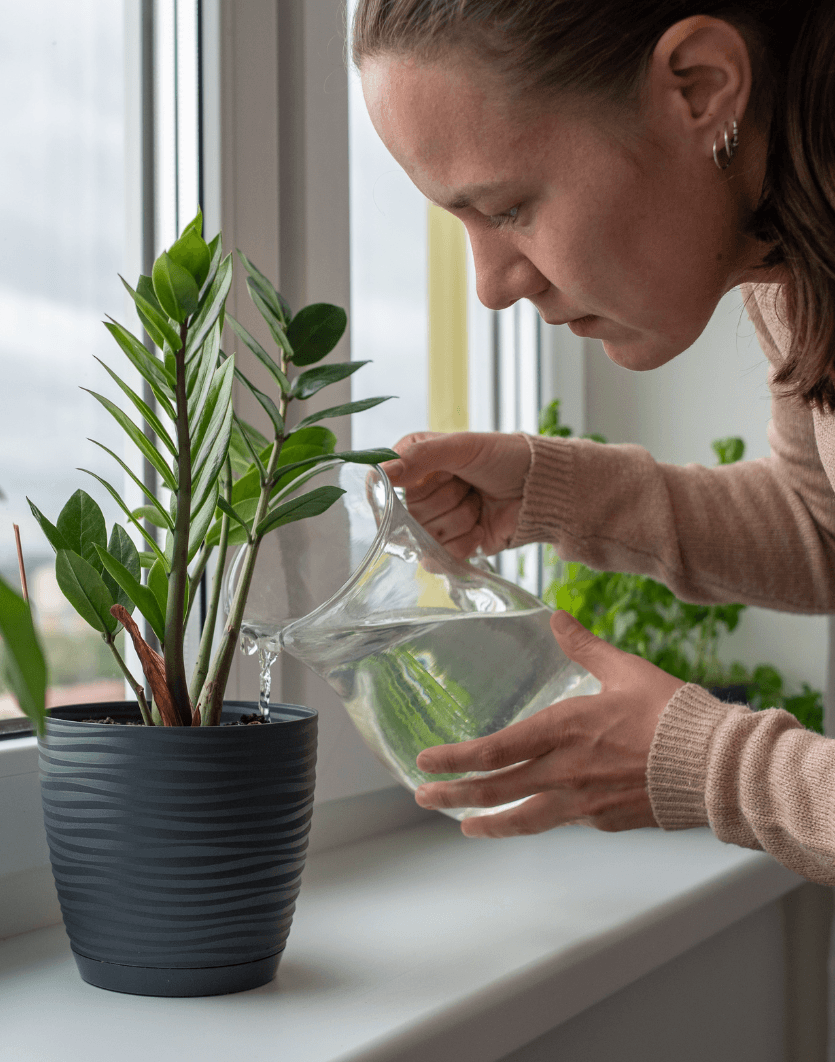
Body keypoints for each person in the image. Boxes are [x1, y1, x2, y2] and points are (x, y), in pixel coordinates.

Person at [352, 0, 835, 885]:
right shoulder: (795, 273)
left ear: (700, 88)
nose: (491, 287)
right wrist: (550, 488)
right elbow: (823, 524)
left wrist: (717, 765)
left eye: (508, 207)